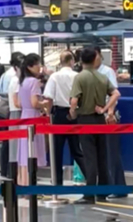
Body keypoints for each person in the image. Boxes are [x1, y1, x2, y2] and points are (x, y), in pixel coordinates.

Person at [70, 47, 121, 204]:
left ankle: (89, 193)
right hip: (100, 120)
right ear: (95, 59)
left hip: (85, 120)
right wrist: (105, 109)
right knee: (102, 156)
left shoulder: (80, 78)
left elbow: (74, 101)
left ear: (81, 60)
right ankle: (103, 191)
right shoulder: (102, 77)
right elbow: (116, 94)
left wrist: (72, 112)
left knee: (90, 157)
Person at [43, 51, 86, 185]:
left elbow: (49, 97)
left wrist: (48, 114)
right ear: (72, 61)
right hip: (74, 114)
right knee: (77, 150)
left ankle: (57, 181)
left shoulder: (54, 77)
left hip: (59, 114)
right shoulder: (77, 76)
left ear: (60, 62)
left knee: (56, 150)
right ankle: (90, 178)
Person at [94, 46, 127, 199]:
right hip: (95, 117)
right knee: (101, 154)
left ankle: (118, 188)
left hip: (108, 116)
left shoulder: (107, 72)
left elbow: (114, 94)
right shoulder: (89, 72)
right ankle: (105, 186)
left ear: (100, 56)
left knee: (111, 153)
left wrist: (110, 112)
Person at [17, 53, 48, 186]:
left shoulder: (23, 81)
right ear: (30, 66)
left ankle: (23, 183)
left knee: (24, 153)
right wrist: (44, 103)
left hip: (24, 117)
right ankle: (31, 185)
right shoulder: (34, 82)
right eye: (37, 64)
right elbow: (35, 103)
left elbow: (19, 102)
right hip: (33, 118)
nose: (40, 67)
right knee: (33, 151)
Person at [0, 52, 24, 178]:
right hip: (13, 111)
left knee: (6, 141)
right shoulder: (17, 78)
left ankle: (4, 170)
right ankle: (12, 172)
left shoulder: (5, 74)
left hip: (5, 111)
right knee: (14, 143)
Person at [8, 53, 25, 165]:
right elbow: (17, 102)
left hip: (16, 112)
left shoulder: (16, 80)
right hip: (16, 113)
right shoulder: (15, 81)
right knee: (15, 143)